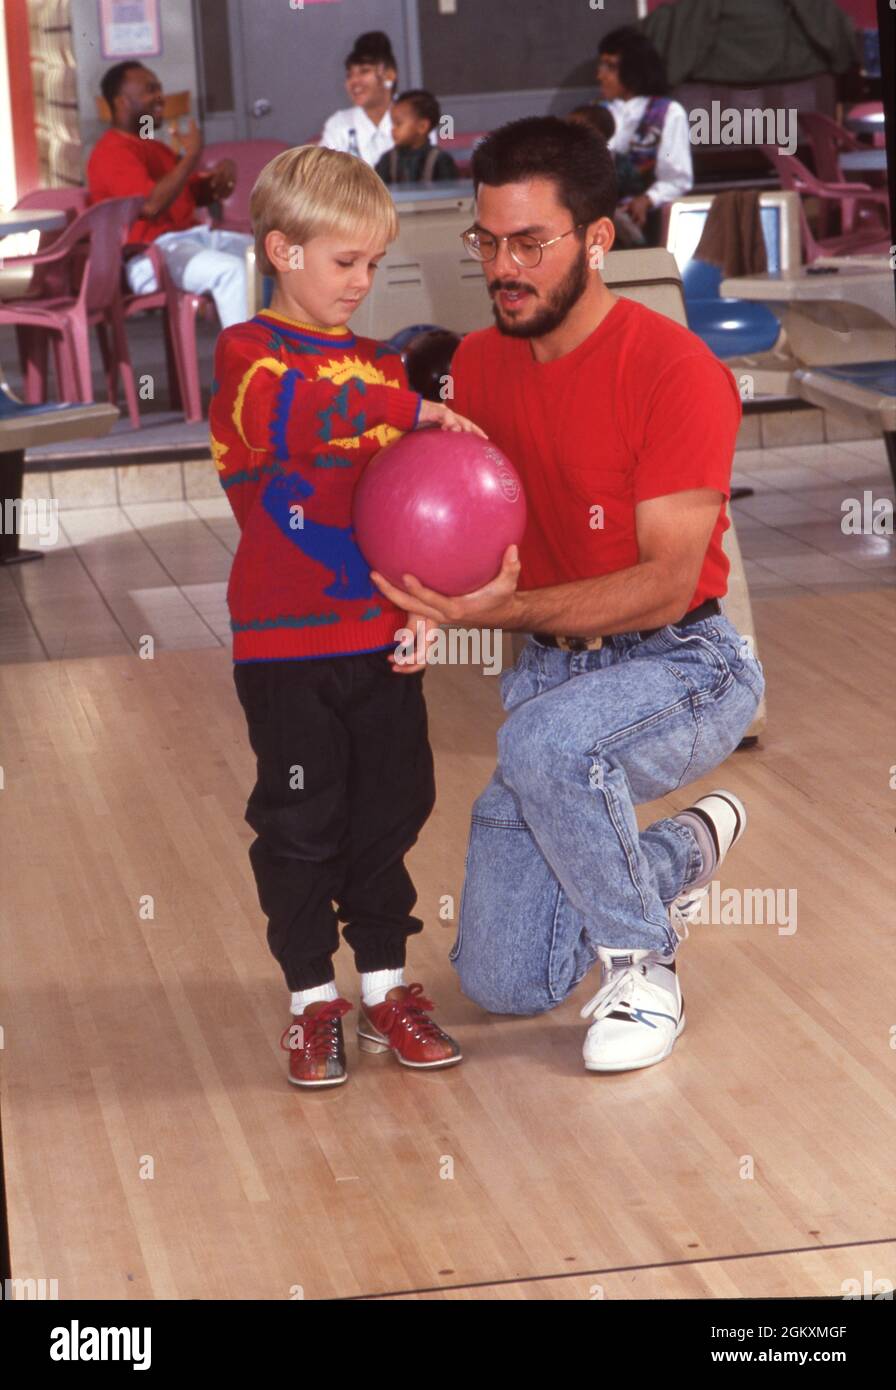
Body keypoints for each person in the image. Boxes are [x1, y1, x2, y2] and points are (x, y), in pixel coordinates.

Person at [369, 117, 764, 1075]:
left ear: (597, 239)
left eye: (530, 244)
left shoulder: (677, 372)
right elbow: (444, 514)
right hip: (550, 684)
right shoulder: (478, 368)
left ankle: (645, 970)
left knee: (544, 742)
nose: (503, 267)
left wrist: (498, 615)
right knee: (505, 985)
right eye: (488, 241)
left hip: (686, 664)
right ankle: (677, 853)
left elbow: (665, 584)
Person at [210, 145, 485, 1088]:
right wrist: (411, 407)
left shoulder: (380, 369)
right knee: (299, 823)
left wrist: (430, 610)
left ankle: (384, 988)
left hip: (379, 643)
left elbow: (416, 515)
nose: (363, 282)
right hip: (284, 654)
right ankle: (309, 1002)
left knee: (389, 813)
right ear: (282, 251)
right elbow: (297, 413)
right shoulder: (250, 357)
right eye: (345, 262)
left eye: (374, 264)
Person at [87, 63, 252, 329]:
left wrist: (221, 178)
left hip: (193, 241)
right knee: (231, 271)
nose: (160, 97)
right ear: (121, 102)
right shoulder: (111, 151)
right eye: (150, 90)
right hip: (149, 256)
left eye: (160, 89)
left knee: (273, 257)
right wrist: (191, 157)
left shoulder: (155, 147)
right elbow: (151, 205)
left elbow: (193, 192)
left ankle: (289, 355)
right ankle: (246, 367)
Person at [595, 25, 693, 245]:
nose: (600, 75)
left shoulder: (667, 112)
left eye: (610, 67)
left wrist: (648, 199)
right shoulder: (597, 112)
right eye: (601, 65)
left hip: (644, 219)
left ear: (633, 70)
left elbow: (677, 177)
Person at [566, 104, 646, 247]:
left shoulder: (618, 162)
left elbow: (633, 189)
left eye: (576, 129)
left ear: (599, 133)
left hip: (612, 213)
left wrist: (631, 202)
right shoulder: (565, 163)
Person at [319, 31, 400, 167]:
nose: (354, 81)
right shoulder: (338, 124)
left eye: (364, 71)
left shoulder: (414, 117)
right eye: (349, 75)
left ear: (389, 76)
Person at [375, 90, 459, 185]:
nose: (392, 129)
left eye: (398, 123)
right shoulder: (387, 160)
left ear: (422, 127)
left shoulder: (441, 160)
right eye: (392, 123)